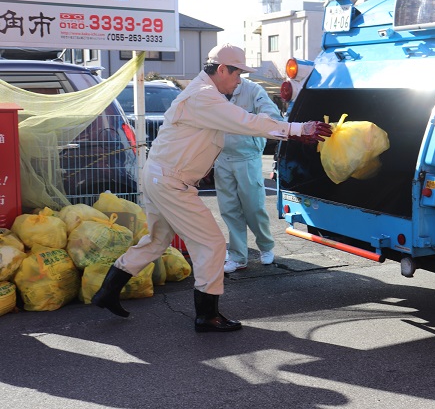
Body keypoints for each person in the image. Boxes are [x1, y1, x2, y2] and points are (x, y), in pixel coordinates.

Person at [92, 43, 332, 333]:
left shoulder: (203, 93)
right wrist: (298, 130)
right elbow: (245, 121)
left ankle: (106, 293)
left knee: (157, 241)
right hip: (171, 181)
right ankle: (207, 315)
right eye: (237, 73)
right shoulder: (205, 96)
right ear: (221, 70)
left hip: (160, 176)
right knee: (213, 244)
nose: (239, 80)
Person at [215, 73, 282, 273]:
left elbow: (271, 112)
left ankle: (266, 246)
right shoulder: (211, 90)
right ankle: (237, 256)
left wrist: (261, 120)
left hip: (247, 156)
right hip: (221, 156)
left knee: (254, 207)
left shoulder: (252, 89)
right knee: (229, 209)